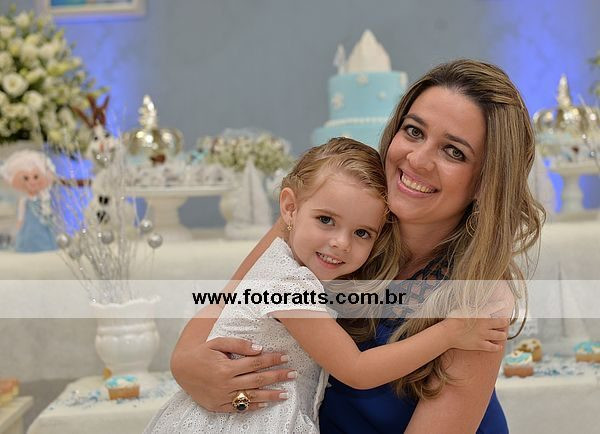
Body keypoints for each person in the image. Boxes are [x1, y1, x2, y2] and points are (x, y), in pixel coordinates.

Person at [169, 59, 544, 433]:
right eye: (414, 131)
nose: (418, 159)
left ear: (485, 182)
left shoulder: (479, 300)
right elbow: (221, 312)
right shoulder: (330, 211)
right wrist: (190, 369)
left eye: (454, 152)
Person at [145, 138, 507, 433]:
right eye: (326, 220)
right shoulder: (288, 282)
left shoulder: (293, 255)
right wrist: (450, 332)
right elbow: (357, 369)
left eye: (362, 233)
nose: (341, 243)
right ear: (289, 208)